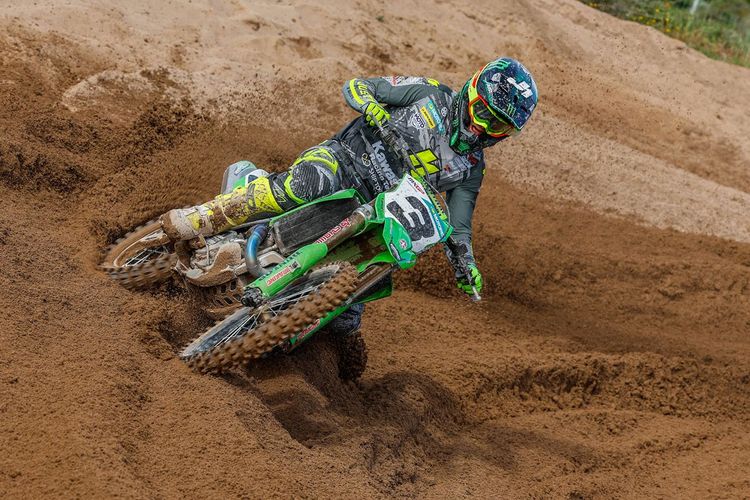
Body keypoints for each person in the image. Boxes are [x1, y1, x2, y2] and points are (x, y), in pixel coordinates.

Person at [161, 57, 538, 334]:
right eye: (484, 114)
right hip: (343, 162)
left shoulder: (471, 169)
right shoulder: (430, 94)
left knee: (348, 317)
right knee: (303, 184)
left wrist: (466, 263)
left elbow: (459, 225)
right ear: (471, 92)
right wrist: (373, 108)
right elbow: (357, 86)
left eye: (499, 127)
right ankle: (201, 217)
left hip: (380, 212)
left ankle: (297, 340)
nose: (484, 129)